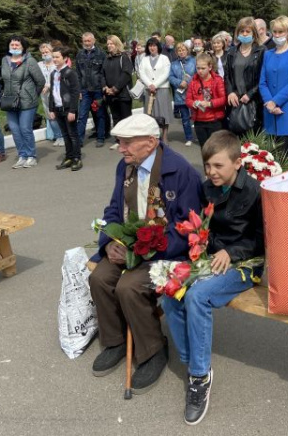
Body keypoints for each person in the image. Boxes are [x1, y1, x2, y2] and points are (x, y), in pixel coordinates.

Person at [88, 114, 202, 394]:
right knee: (100, 278)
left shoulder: (180, 171)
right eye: (119, 142)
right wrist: (110, 242)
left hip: (166, 251)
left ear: (151, 142)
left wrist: (148, 250)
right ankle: (114, 341)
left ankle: (153, 350)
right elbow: (113, 210)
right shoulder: (124, 167)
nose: (121, 148)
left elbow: (189, 226)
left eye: (127, 142)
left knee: (128, 287)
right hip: (131, 245)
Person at [162, 130, 264, 425]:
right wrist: (198, 241)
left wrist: (231, 253)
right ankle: (192, 360)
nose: (211, 172)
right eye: (207, 165)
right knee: (172, 291)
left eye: (218, 166)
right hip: (211, 260)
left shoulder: (254, 192)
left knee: (197, 296)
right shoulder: (207, 188)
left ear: (237, 163)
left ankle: (199, 376)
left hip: (245, 264)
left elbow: (263, 242)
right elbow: (202, 226)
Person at [259, 15, 288, 158]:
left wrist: (275, 101)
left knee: (285, 157)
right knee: (272, 158)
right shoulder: (268, 54)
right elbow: (262, 82)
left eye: (281, 32)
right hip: (270, 111)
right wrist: (269, 103)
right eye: (275, 32)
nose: (277, 35)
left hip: (287, 110)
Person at [1, 36, 46, 169]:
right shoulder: (5, 60)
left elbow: (40, 81)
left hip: (27, 102)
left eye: (17, 45)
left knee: (25, 129)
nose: (14, 47)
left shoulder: (30, 61)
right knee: (14, 129)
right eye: (12, 44)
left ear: (23, 47)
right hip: (10, 101)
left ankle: (31, 156)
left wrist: (32, 95)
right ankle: (22, 155)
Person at [225, 17, 266, 135]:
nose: (244, 34)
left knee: (253, 144)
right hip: (235, 101)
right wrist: (230, 92)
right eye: (241, 31)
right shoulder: (231, 52)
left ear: (254, 33)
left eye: (248, 31)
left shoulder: (261, 51)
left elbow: (263, 77)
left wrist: (250, 94)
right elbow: (227, 75)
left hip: (254, 102)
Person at [48, 46, 82, 171]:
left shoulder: (70, 73)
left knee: (73, 134)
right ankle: (69, 157)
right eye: (53, 57)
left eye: (57, 57)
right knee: (65, 135)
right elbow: (52, 92)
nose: (55, 59)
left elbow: (75, 92)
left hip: (68, 109)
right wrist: (51, 109)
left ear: (65, 58)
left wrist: (72, 110)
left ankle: (77, 158)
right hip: (58, 109)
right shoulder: (53, 74)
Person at [75, 32, 108, 147]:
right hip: (84, 90)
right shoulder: (79, 55)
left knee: (99, 114)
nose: (87, 43)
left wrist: (104, 87)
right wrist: (78, 90)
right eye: (85, 41)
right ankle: (79, 140)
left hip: (98, 89)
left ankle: (100, 137)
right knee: (82, 115)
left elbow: (104, 73)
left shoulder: (101, 54)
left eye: (89, 41)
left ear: (93, 41)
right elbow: (78, 74)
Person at [186, 53, 226, 148]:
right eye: (198, 68)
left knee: (215, 149)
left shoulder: (217, 80)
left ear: (210, 67)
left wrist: (209, 103)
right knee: (204, 149)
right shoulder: (193, 81)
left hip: (214, 120)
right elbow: (188, 99)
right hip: (199, 121)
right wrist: (193, 104)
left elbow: (224, 99)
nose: (200, 71)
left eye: (203, 68)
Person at [137, 37, 172, 141]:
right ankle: (154, 136)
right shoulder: (144, 59)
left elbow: (166, 73)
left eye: (154, 45)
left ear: (158, 47)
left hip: (162, 89)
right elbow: (141, 73)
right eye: (150, 45)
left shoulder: (164, 58)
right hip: (149, 90)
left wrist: (155, 85)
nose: (152, 48)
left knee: (164, 113)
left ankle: (164, 136)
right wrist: (149, 85)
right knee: (151, 113)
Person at [103, 35, 134, 151]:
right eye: (108, 44)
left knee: (126, 118)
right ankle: (119, 140)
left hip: (123, 93)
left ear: (117, 44)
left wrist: (115, 88)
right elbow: (102, 74)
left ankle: (129, 140)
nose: (109, 46)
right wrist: (105, 87)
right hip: (110, 94)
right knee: (116, 117)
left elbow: (126, 74)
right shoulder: (106, 59)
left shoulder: (124, 57)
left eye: (112, 43)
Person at [169, 42, 196, 146]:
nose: (181, 52)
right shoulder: (173, 64)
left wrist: (187, 83)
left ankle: (198, 134)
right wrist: (179, 83)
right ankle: (188, 137)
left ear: (187, 50)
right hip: (180, 95)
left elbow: (197, 74)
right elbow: (170, 77)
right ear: (176, 52)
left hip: (193, 93)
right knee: (185, 118)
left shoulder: (194, 61)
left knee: (196, 116)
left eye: (183, 50)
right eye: (179, 50)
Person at [37, 43, 63, 147]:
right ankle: (58, 136)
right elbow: (37, 78)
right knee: (50, 116)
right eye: (43, 52)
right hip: (44, 95)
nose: (44, 54)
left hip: (56, 93)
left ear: (51, 52)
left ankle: (63, 136)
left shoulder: (56, 63)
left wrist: (47, 85)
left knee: (59, 115)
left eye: (47, 52)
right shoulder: (39, 65)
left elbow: (58, 77)